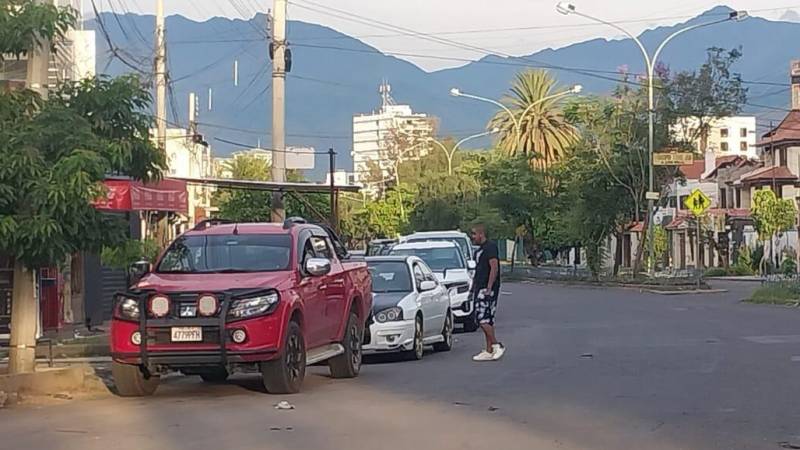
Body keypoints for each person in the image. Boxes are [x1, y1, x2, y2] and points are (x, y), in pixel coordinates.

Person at [469, 223, 505, 361]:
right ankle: (489, 350)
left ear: (481, 234)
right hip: (479, 287)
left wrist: (489, 287)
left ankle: (496, 344)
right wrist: (473, 288)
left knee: (482, 318)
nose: (472, 237)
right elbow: (478, 270)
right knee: (487, 319)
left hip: (486, 288)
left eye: (474, 234)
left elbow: (494, 267)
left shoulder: (490, 248)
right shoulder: (480, 250)